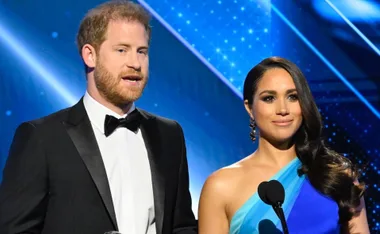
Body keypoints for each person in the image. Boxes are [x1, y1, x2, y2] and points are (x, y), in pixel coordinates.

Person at [0, 1, 197, 233]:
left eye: (141, 51)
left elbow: (182, 226)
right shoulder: (42, 137)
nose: (135, 63)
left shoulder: (169, 134)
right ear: (90, 55)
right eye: (122, 50)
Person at [198, 56, 370, 233]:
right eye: (269, 98)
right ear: (250, 108)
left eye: (293, 97)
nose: (282, 109)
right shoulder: (220, 186)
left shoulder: (338, 176)